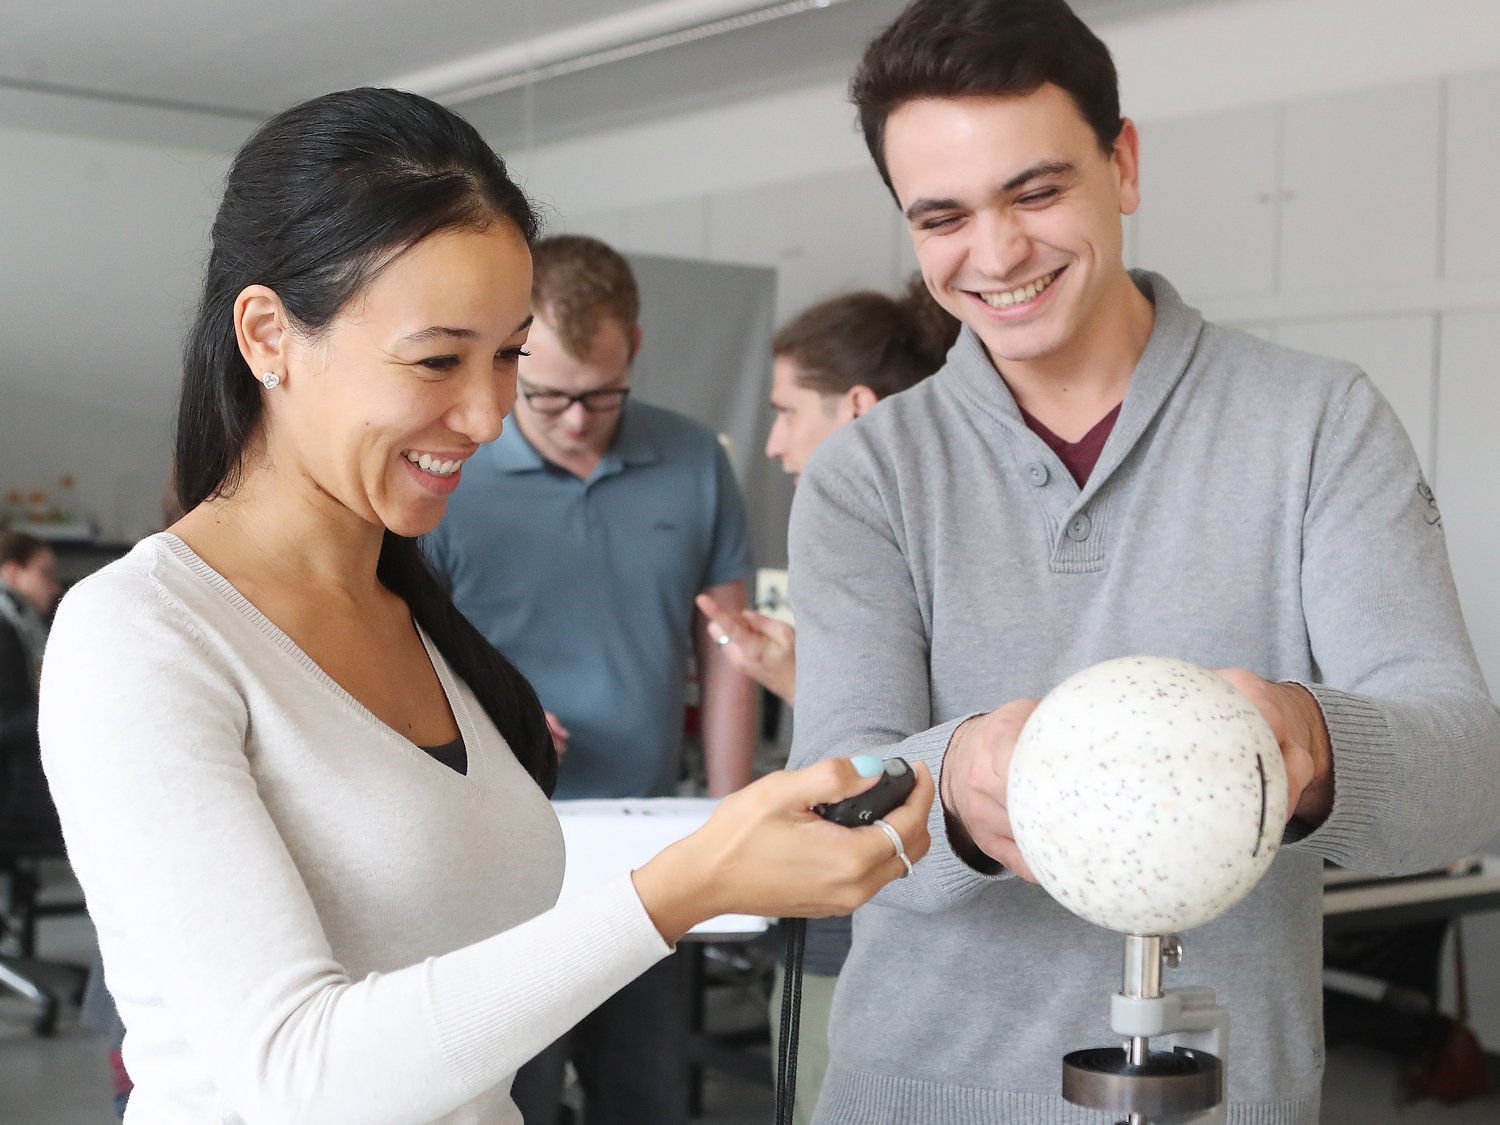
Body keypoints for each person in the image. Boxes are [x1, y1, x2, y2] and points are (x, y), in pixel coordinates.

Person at [36, 87, 933, 1125]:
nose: (489, 413)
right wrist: (688, 884)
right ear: (269, 334)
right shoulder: (140, 637)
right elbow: (300, 1076)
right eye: (437, 359)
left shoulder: (415, 615)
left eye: (507, 356)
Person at [784, 2, 1500, 1123]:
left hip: (1221, 1097)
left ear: (1122, 163)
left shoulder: (1316, 424)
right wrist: (957, 784)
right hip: (918, 1092)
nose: (998, 254)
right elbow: (827, 813)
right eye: (943, 216)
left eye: (1036, 191)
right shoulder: (865, 477)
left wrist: (1309, 746)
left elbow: (1467, 782)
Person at [423, 234, 760, 1125]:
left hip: (644, 847)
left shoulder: (693, 458)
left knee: (644, 1092)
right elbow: (392, 647)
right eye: (548, 395)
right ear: (512, 354)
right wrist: (492, 714)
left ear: (634, 352)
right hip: (490, 846)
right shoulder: (445, 469)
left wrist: (729, 819)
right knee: (511, 1095)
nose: (575, 419)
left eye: (601, 394)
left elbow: (728, 649)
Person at [696, 279, 957, 1125]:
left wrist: (809, 685)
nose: (773, 443)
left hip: (884, 906)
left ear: (853, 408)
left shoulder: (900, 523)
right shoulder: (931, 517)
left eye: (786, 412)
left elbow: (910, 757)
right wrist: (801, 678)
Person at [0, 530, 62, 844]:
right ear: (12, 572)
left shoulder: (24, 625)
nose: (55, 586)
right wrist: (62, 705)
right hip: (12, 791)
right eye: (44, 573)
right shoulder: (5, 631)